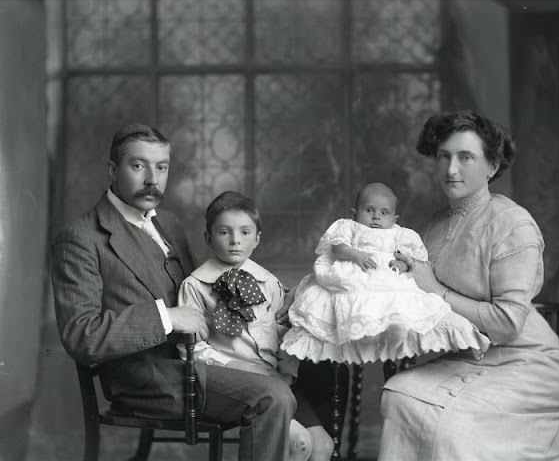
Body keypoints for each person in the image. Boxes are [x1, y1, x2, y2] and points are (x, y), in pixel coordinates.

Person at [51, 124, 297, 461]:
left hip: (204, 358)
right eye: (138, 166)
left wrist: (278, 302)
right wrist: (166, 317)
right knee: (274, 395)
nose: (152, 178)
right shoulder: (82, 237)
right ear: (112, 170)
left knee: (315, 369)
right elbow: (81, 335)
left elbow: (208, 290)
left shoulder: (169, 223)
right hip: (150, 377)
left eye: (162, 167)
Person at [377, 111, 559, 460]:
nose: (451, 169)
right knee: (397, 393)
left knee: (450, 422)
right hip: (466, 359)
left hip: (528, 364)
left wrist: (433, 289)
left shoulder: (513, 224)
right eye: (444, 156)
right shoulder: (435, 225)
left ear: (491, 165)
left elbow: (507, 323)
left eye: (465, 157)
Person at [177, 190, 333, 461]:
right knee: (300, 444)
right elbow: (190, 349)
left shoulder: (268, 283)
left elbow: (284, 335)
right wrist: (235, 368)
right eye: (224, 232)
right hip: (233, 383)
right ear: (208, 238)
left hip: (277, 380)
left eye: (245, 232)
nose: (235, 240)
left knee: (323, 447)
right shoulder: (195, 286)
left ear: (257, 239)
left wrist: (287, 373)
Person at [280, 182, 490, 364]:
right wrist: (355, 255)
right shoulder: (350, 227)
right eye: (369, 210)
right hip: (353, 274)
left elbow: (410, 257)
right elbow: (338, 247)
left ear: (394, 217)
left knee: (396, 304)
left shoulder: (399, 234)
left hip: (386, 279)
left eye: (384, 212)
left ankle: (387, 330)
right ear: (355, 212)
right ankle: (356, 328)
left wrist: (403, 265)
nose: (376, 217)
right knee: (344, 299)